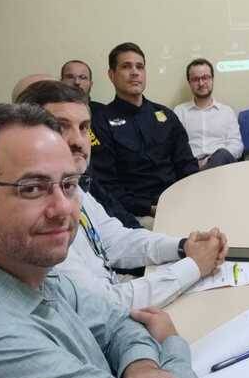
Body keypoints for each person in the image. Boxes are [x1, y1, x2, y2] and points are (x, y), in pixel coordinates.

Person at [0, 103, 208, 378]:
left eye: (69, 184)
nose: (63, 208)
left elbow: (118, 323)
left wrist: (143, 366)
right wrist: (170, 343)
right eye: (32, 188)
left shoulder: (25, 265)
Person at [17, 81, 228, 308]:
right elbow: (105, 305)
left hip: (120, 289)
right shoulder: (35, 218)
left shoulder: (75, 189)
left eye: (84, 128)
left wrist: (184, 246)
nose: (78, 140)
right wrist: (195, 265)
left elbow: (117, 241)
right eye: (61, 127)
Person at [90, 42, 198, 227]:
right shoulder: (100, 123)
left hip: (179, 202)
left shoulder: (166, 115)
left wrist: (190, 198)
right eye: (126, 66)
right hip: (137, 215)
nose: (134, 72)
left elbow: (186, 165)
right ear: (112, 75)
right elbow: (106, 186)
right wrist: (151, 208)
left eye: (139, 67)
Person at [173, 58, 243, 169]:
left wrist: (211, 160)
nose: (201, 83)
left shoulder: (226, 112)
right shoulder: (179, 112)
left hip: (221, 167)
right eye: (195, 79)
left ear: (212, 79)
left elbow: (236, 145)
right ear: (189, 82)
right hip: (191, 166)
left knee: (222, 154)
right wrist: (194, 163)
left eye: (205, 77)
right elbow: (176, 147)